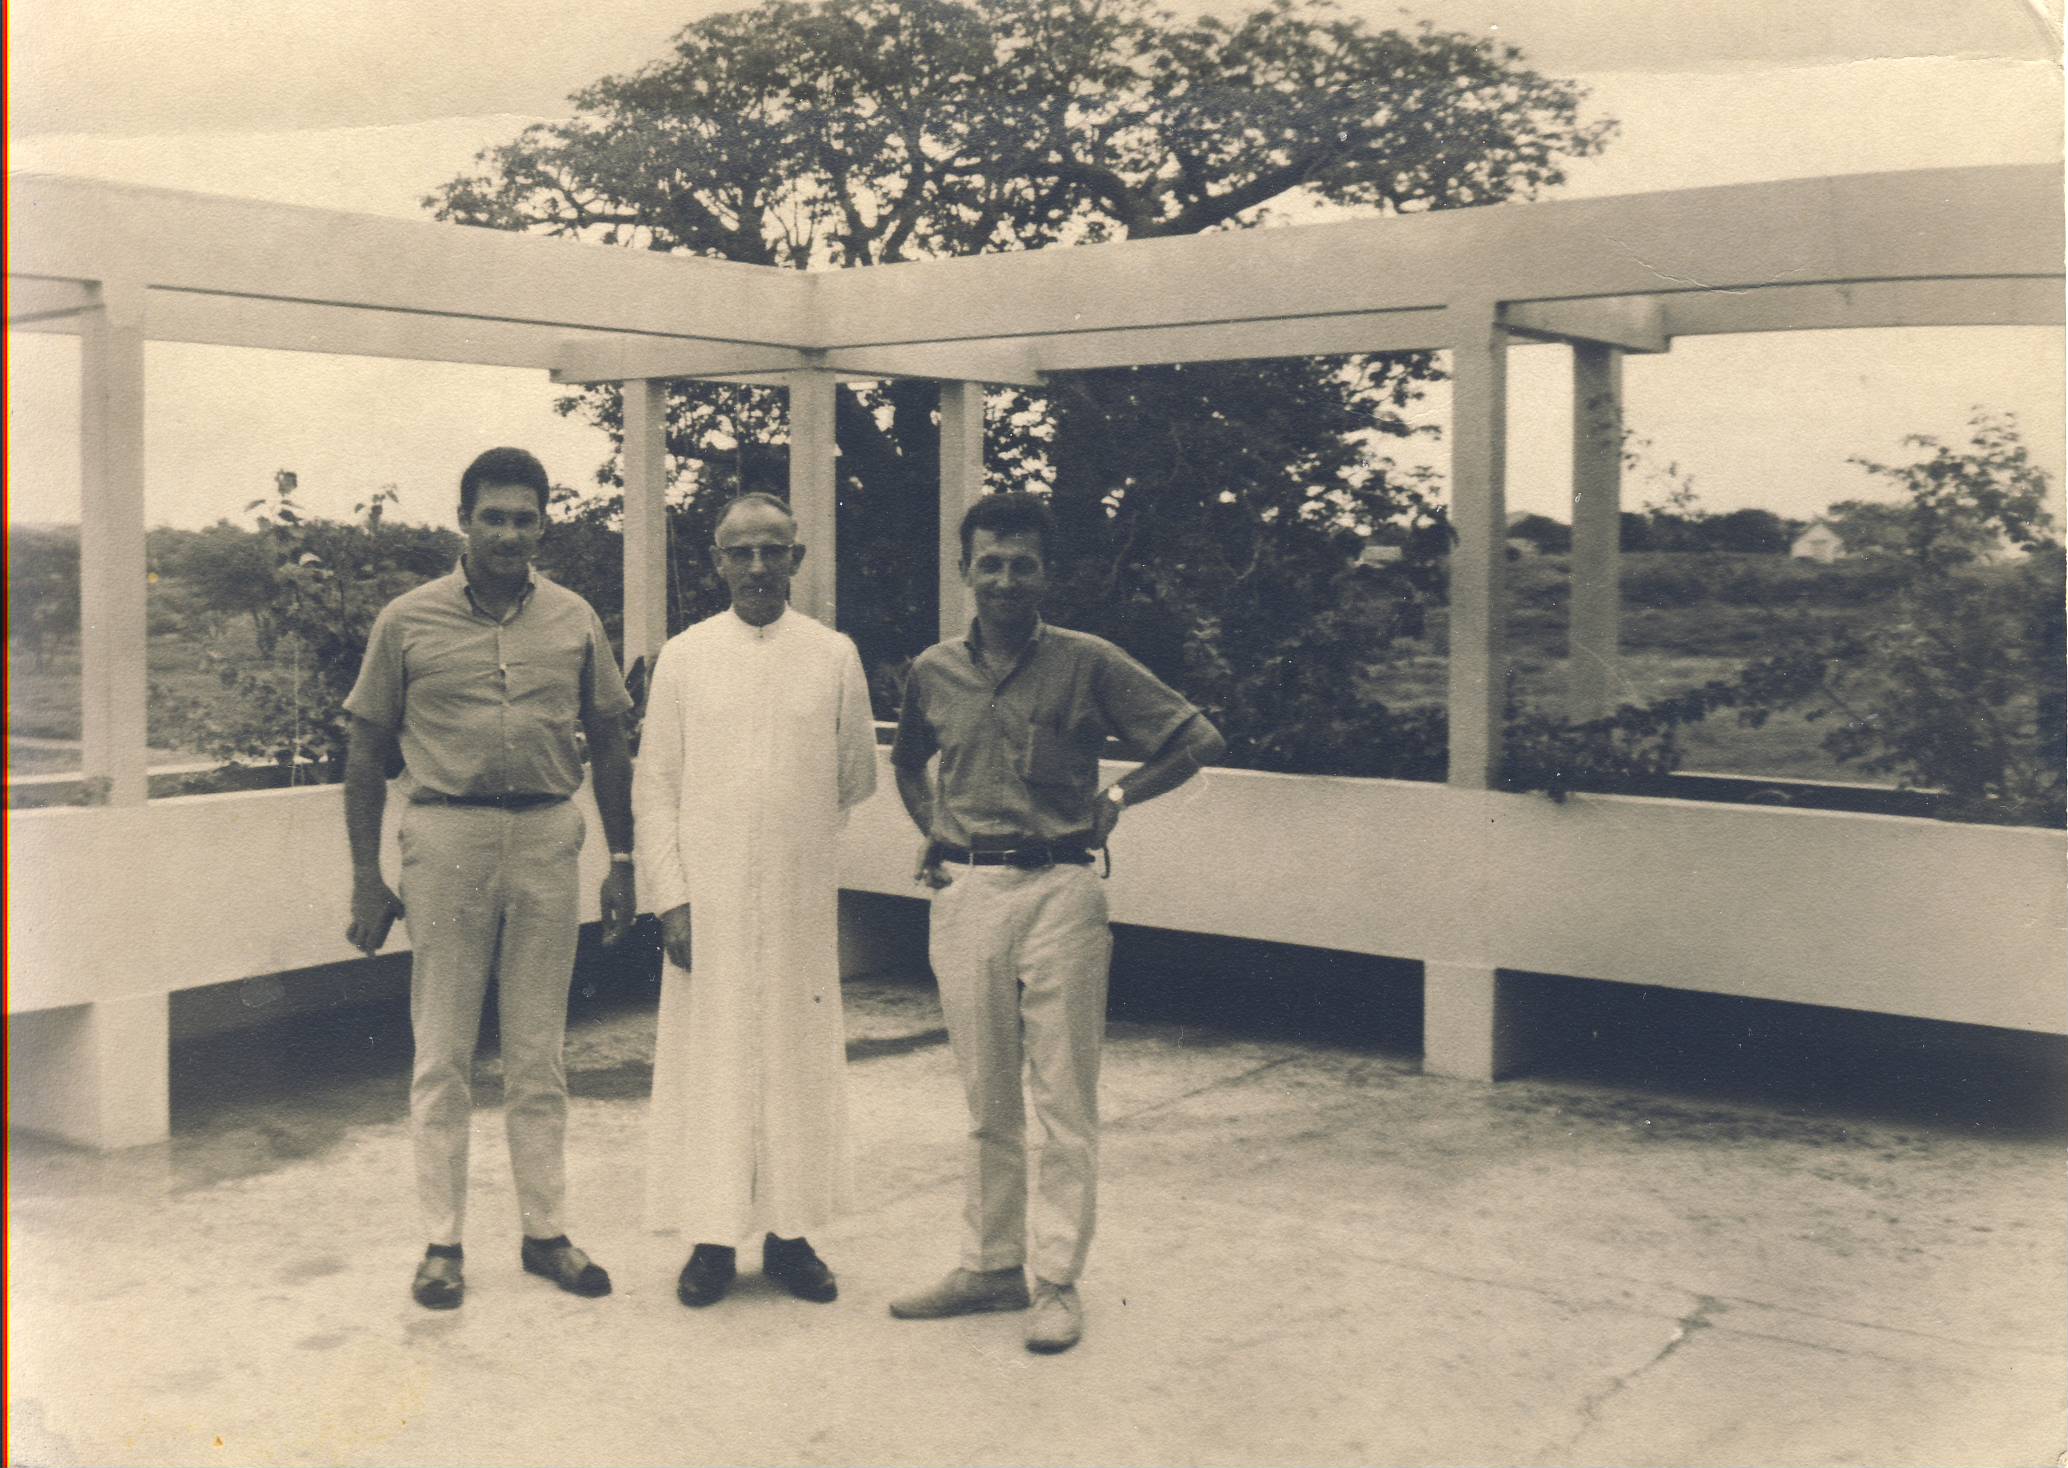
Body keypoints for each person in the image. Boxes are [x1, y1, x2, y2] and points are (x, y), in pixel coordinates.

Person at [887, 491, 1224, 1354]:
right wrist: (935, 829)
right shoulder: (933, 669)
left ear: (1048, 573)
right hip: (966, 895)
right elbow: (910, 760)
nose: (1005, 579)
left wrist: (1118, 796)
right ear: (965, 570)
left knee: (1064, 1099)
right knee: (984, 1099)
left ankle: (1058, 1283)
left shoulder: (1089, 662)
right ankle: (990, 1267)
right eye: (989, 563)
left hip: (1060, 891)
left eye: (1022, 564)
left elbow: (1195, 739)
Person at [342, 445, 637, 1311]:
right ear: (463, 521)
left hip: (548, 836)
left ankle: (547, 1233)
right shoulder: (407, 620)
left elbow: (612, 738)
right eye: (494, 516)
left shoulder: (575, 618)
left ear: (544, 523)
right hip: (446, 839)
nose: (510, 532)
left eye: (525, 517)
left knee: (539, 1052)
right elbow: (365, 748)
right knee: (442, 1051)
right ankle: (442, 1242)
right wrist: (366, 877)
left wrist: (623, 860)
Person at [634, 491, 880, 1308]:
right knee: (712, 1065)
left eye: (773, 551)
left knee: (796, 1063)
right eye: (740, 552)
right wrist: (672, 898)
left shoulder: (834, 655)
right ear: (717, 562)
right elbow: (655, 786)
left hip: (798, 902)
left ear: (797, 560)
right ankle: (710, 1241)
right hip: (708, 907)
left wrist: (786, 848)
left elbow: (853, 777)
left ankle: (791, 1235)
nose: (758, 568)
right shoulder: (683, 656)